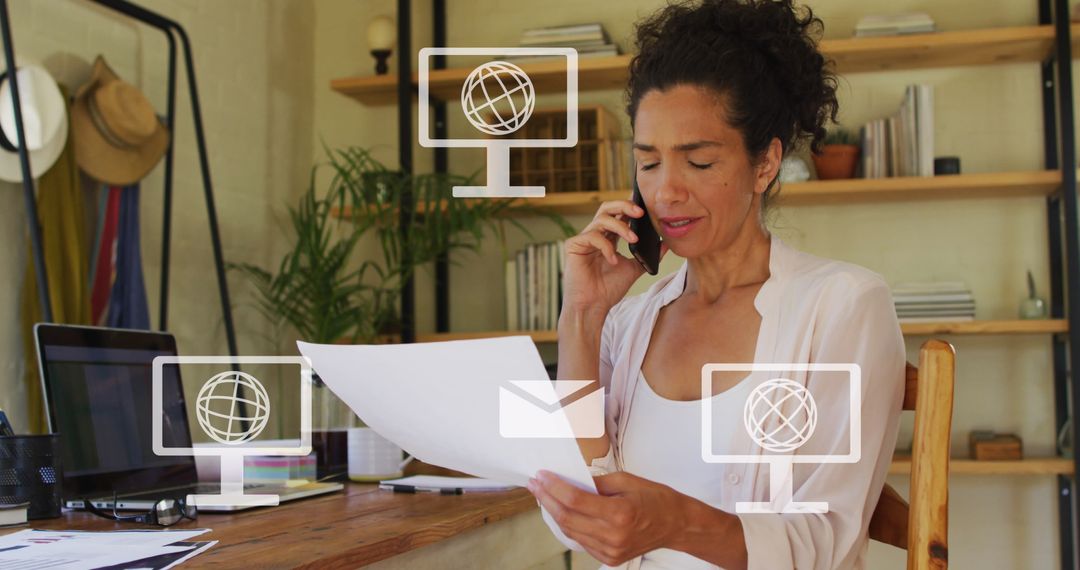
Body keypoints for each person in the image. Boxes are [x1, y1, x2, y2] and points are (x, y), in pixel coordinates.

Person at [524, 1, 906, 568]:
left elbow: (827, 541)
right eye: (649, 164)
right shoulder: (627, 325)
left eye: (698, 162)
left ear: (765, 163)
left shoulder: (841, 307)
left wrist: (677, 523)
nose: (667, 193)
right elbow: (573, 519)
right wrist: (580, 316)